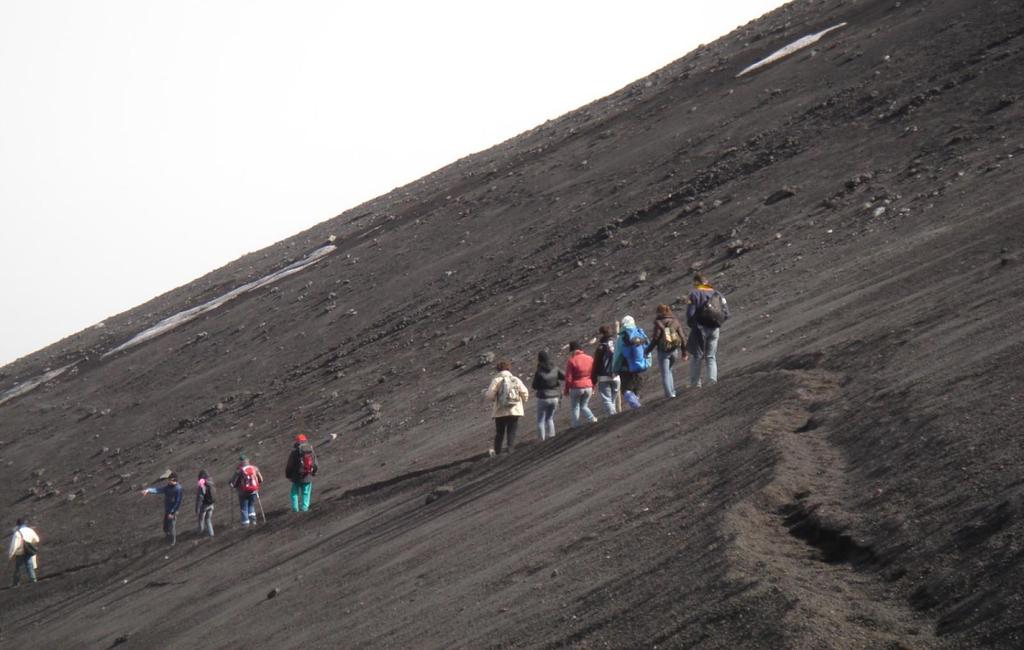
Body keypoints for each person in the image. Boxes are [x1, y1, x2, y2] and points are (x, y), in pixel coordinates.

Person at [686, 273, 731, 387]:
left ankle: (695, 384)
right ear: (706, 281)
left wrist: (694, 325)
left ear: (696, 282)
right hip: (715, 328)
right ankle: (712, 380)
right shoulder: (717, 294)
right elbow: (726, 312)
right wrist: (718, 323)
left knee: (697, 356)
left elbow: (690, 313)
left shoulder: (694, 294)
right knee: (711, 356)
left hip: (700, 328)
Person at [483, 359, 530, 455]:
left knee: (500, 433)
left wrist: (495, 399)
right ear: (508, 368)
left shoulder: (496, 380)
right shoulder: (515, 379)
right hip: (514, 410)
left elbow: (489, 395)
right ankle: (510, 450)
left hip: (500, 411)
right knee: (511, 431)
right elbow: (525, 392)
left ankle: (497, 452)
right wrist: (522, 402)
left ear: (498, 370)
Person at [645, 304, 688, 398]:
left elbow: (655, 339)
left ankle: (669, 395)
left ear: (659, 312)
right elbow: (682, 337)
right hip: (674, 350)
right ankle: (673, 392)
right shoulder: (675, 321)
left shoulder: (658, 322)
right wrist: (684, 352)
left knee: (665, 374)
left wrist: (647, 351)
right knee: (669, 371)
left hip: (663, 352)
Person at [612, 315, 651, 409]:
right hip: (638, 366)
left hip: (625, 368)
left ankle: (637, 407)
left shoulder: (621, 338)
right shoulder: (640, 333)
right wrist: (647, 362)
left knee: (626, 390)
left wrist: (615, 369)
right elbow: (647, 348)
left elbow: (618, 355)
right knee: (636, 388)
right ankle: (636, 405)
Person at [141, 473, 183, 545]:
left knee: (171, 527)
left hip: (173, 512)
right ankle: (168, 537)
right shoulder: (168, 487)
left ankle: (172, 542)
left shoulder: (178, 489)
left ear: (175, 480)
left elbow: (177, 502)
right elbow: (158, 490)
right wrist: (148, 490)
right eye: (168, 480)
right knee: (165, 527)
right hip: (167, 510)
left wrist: (172, 513)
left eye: (170, 480)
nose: (169, 481)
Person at [531, 351, 564, 441]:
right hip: (555, 397)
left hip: (543, 397)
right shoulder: (555, 368)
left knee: (540, 420)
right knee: (549, 418)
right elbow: (565, 376)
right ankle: (552, 437)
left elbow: (534, 385)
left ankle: (542, 440)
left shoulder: (539, 371)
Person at [564, 341, 598, 427]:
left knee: (575, 407)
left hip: (576, 387)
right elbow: (593, 374)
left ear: (572, 351)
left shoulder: (571, 361)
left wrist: (566, 390)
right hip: (588, 386)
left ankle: (576, 426)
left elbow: (568, 378)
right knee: (584, 406)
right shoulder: (590, 358)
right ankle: (592, 418)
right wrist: (593, 387)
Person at [285, 434, 319, 512]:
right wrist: (314, 472)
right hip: (308, 475)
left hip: (296, 476)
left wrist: (288, 475)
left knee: (294, 492)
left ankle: (295, 508)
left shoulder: (295, 452)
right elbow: (315, 463)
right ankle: (304, 508)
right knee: (306, 492)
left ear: (296, 441)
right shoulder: (310, 450)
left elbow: (290, 465)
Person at [591, 325, 619, 416]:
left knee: (607, 400)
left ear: (602, 334)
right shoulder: (617, 343)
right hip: (616, 376)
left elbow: (595, 364)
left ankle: (613, 417)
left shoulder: (601, 347)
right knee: (612, 400)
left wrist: (593, 379)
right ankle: (614, 416)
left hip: (603, 377)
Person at [230, 455, 264, 527]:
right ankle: (254, 521)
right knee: (251, 505)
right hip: (254, 491)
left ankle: (246, 524)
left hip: (243, 492)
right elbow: (261, 479)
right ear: (248, 460)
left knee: (244, 508)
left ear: (240, 461)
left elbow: (233, 483)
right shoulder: (254, 468)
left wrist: (232, 485)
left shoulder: (239, 470)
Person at [8, 517, 40, 586]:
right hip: (29, 551)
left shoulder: (17, 533)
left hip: (20, 553)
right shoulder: (30, 530)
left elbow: (14, 546)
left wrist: (10, 555)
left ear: (18, 525)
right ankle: (33, 580)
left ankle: (16, 583)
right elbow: (37, 539)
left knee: (18, 568)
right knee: (30, 566)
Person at [195, 470, 216, 537]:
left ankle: (200, 534)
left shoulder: (202, 484)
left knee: (201, 520)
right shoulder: (211, 482)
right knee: (208, 520)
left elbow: (200, 497)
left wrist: (197, 508)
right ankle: (211, 534)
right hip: (211, 505)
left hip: (204, 506)